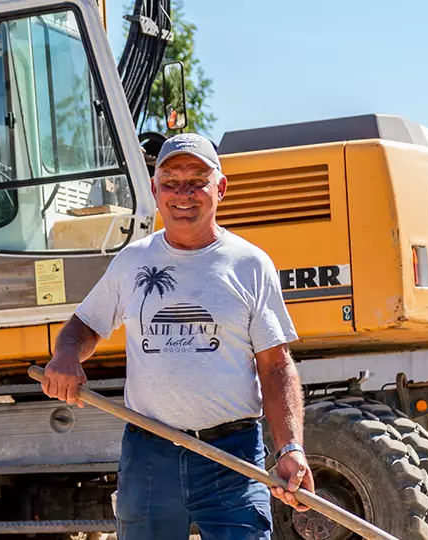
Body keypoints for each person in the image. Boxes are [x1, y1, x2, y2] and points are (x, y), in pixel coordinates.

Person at [40, 133, 313, 540]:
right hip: (150, 457)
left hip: (232, 458)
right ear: (154, 190)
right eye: (170, 181)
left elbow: (275, 367)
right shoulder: (133, 262)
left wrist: (290, 448)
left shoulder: (250, 265)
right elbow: (84, 326)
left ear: (220, 188)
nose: (183, 193)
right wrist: (65, 354)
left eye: (197, 180)